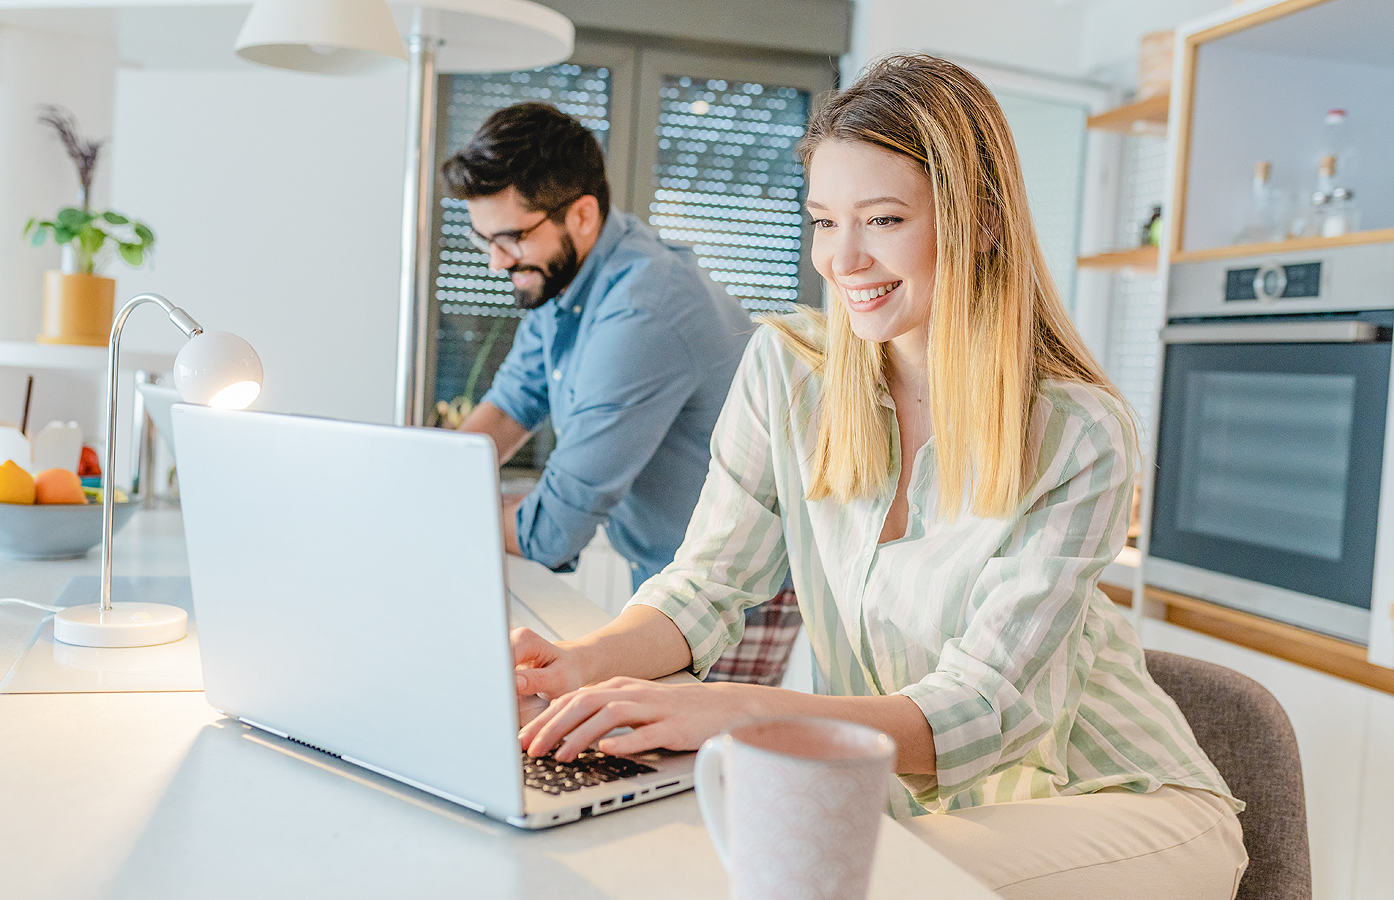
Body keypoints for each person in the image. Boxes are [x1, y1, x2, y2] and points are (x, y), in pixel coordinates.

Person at [507, 56, 1248, 899]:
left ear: (983, 222)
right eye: (824, 221)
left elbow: (986, 709)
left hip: (1116, 804)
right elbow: (706, 584)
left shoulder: (1078, 434)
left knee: (845, 881)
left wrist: (747, 714)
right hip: (918, 803)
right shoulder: (789, 374)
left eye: (884, 219)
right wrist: (584, 662)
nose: (842, 258)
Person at [443, 103, 801, 684]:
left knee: (696, 767)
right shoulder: (566, 276)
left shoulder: (643, 308)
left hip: (737, 589)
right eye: (485, 239)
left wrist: (450, 513)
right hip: (670, 570)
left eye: (510, 238)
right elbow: (514, 402)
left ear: (582, 215)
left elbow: (553, 529)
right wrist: (438, 482)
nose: (495, 261)